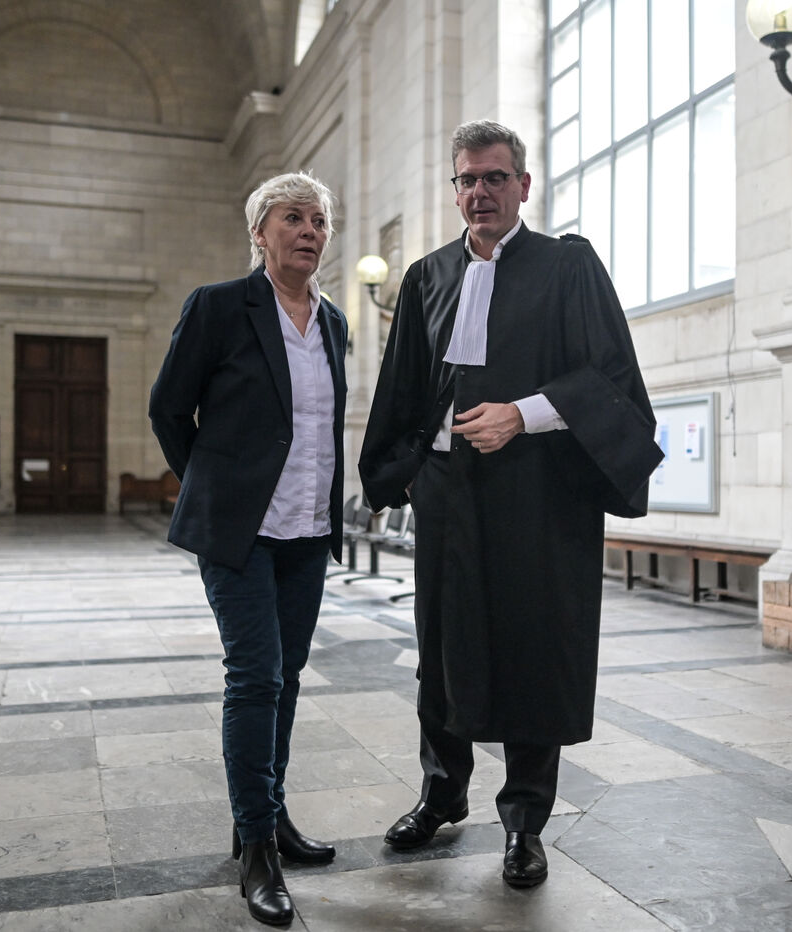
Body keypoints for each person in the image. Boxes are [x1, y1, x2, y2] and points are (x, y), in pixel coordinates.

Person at [359, 120, 662, 889]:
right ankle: (441, 792)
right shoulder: (426, 277)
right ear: (455, 189)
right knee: (443, 647)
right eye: (466, 179)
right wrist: (401, 471)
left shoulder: (568, 266)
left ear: (523, 185)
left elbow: (608, 377)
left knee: (534, 646)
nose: (480, 192)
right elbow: (403, 387)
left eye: (495, 177)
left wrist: (521, 414)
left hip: (539, 491)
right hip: (449, 495)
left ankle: (525, 820)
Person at [150, 171, 347, 927]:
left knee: (287, 676)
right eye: (293, 218)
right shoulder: (219, 306)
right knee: (256, 675)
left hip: (308, 530)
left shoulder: (334, 323)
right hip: (243, 533)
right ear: (260, 233)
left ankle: (268, 814)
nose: (309, 231)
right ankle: (257, 848)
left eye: (319, 221)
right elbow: (170, 408)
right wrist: (215, 485)